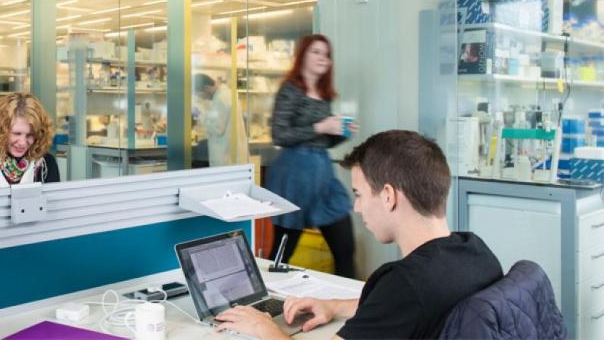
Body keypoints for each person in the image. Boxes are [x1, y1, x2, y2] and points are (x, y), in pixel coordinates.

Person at [215, 130, 504, 340]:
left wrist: (262, 327)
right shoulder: (476, 251)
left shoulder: (405, 283)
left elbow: (402, 300)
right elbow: (401, 310)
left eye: (359, 194)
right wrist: (335, 307)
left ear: (388, 196)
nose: (356, 207)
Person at [266, 34, 357, 279]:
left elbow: (322, 140)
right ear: (303, 55)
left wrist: (340, 132)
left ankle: (350, 306)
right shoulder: (290, 89)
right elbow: (279, 135)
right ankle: (261, 298)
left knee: (345, 248)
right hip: (294, 175)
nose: (322, 58)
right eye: (316, 52)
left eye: (326, 54)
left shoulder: (325, 93)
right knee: (282, 252)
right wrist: (322, 127)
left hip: (321, 173)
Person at [193, 73, 248, 167]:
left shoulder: (221, 98)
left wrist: (199, 115)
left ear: (206, 88)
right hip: (230, 155)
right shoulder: (226, 94)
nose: (201, 98)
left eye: (200, 95)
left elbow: (217, 128)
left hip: (226, 157)